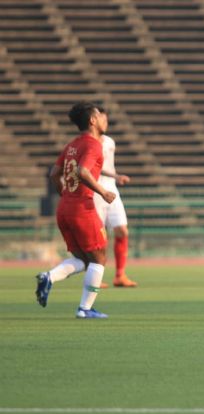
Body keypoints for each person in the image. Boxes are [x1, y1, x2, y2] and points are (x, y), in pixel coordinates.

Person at [35, 101, 116, 319]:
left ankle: (48, 277)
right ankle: (85, 309)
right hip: (83, 208)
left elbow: (54, 173)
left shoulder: (72, 145)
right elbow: (82, 171)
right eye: (99, 114)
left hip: (65, 208)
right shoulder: (92, 145)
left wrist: (65, 194)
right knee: (99, 259)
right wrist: (103, 192)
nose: (102, 118)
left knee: (83, 261)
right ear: (92, 120)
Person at [94, 123, 138, 288]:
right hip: (96, 190)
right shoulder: (89, 143)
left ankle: (120, 275)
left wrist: (114, 177)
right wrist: (117, 175)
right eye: (100, 117)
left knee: (122, 230)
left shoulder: (110, 142)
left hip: (111, 188)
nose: (103, 122)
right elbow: (92, 168)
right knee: (99, 235)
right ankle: (96, 276)